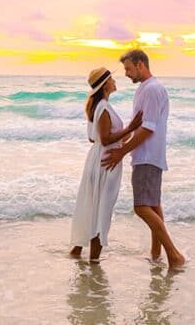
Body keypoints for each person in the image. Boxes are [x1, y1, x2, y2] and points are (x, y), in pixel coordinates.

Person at [102, 50, 185, 268]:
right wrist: (122, 142)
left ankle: (174, 255)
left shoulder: (152, 90)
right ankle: (157, 254)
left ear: (140, 65)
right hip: (147, 155)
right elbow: (139, 125)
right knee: (154, 206)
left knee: (141, 207)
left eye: (129, 69)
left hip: (147, 156)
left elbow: (148, 129)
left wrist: (122, 151)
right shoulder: (144, 89)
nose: (127, 74)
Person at [70, 67, 142, 261]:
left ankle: (78, 253)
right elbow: (105, 138)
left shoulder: (100, 107)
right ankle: (93, 263)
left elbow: (95, 139)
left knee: (94, 207)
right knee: (102, 210)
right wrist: (131, 128)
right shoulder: (102, 107)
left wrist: (127, 139)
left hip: (99, 159)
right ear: (104, 85)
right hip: (105, 163)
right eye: (111, 79)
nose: (115, 81)